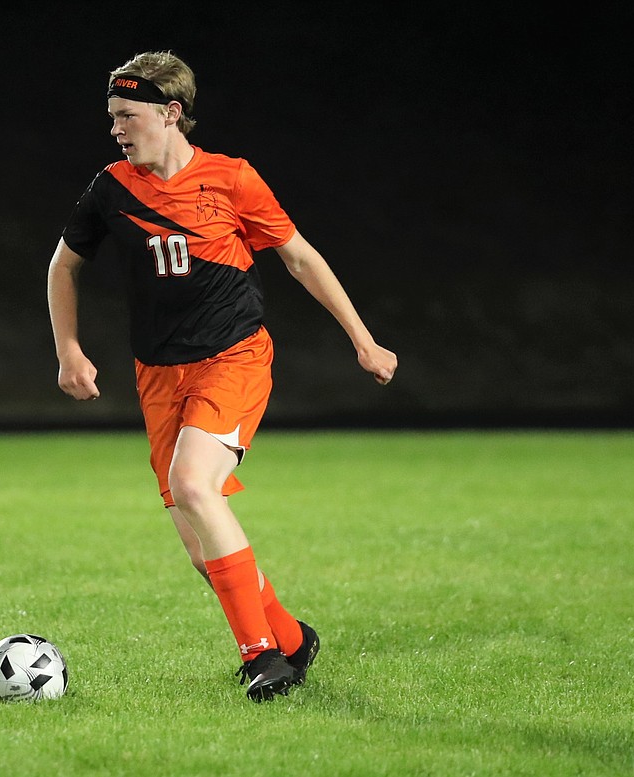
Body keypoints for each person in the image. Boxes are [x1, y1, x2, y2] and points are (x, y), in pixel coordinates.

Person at [46, 50, 397, 702]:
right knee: (196, 541)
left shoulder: (231, 179)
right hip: (158, 376)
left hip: (232, 358)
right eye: (112, 116)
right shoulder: (111, 187)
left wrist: (364, 339)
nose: (117, 128)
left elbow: (298, 257)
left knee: (193, 485)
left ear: (172, 112)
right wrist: (68, 347)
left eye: (129, 115)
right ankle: (291, 636)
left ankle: (262, 655)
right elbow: (64, 265)